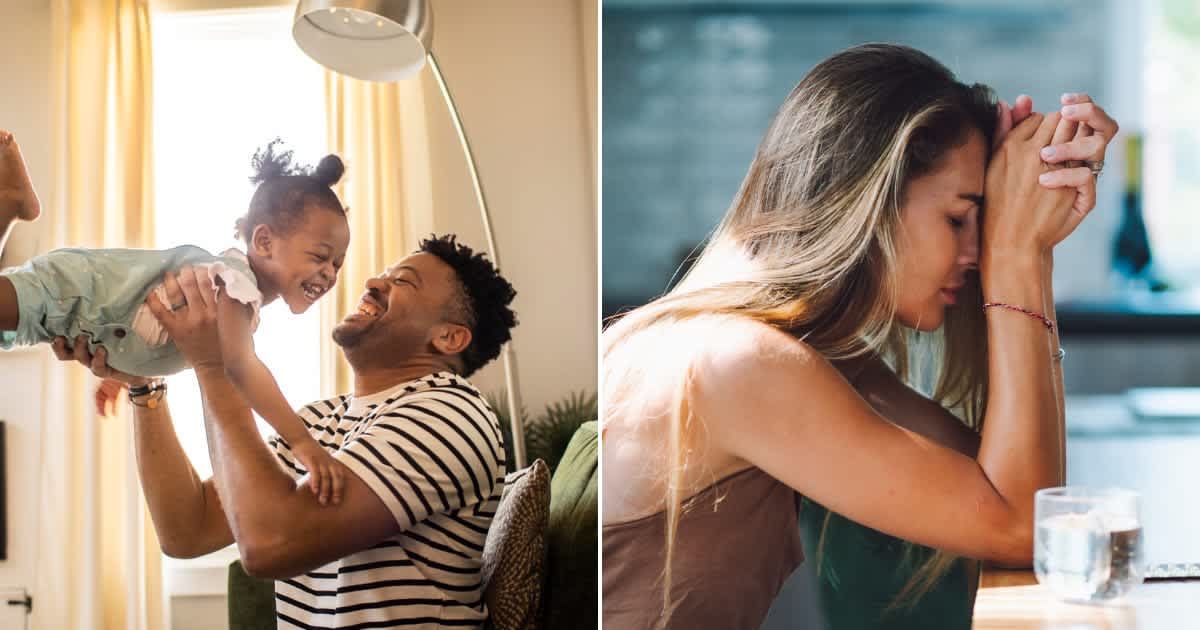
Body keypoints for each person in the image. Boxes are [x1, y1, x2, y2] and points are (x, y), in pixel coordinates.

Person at [601, 43, 1117, 629]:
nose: (975, 254)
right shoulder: (739, 362)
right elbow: (1021, 524)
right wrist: (1017, 251)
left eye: (986, 222)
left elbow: (1020, 491)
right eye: (958, 218)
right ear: (864, 199)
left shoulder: (793, 351)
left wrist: (1031, 243)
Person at [54, 233, 517, 628]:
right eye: (383, 273)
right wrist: (144, 386)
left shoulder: (448, 412)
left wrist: (214, 361)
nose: (373, 282)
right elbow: (186, 531)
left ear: (450, 337)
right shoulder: (322, 420)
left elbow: (268, 545)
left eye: (402, 282)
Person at [1, 138, 351, 503]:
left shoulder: (235, 294)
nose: (329, 274)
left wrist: (126, 373)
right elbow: (240, 368)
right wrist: (303, 443)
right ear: (263, 242)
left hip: (74, 319)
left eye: (338, 264)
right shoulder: (236, 286)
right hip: (73, 291)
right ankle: (11, 202)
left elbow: (149, 321)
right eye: (319, 257)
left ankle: (10, 203)